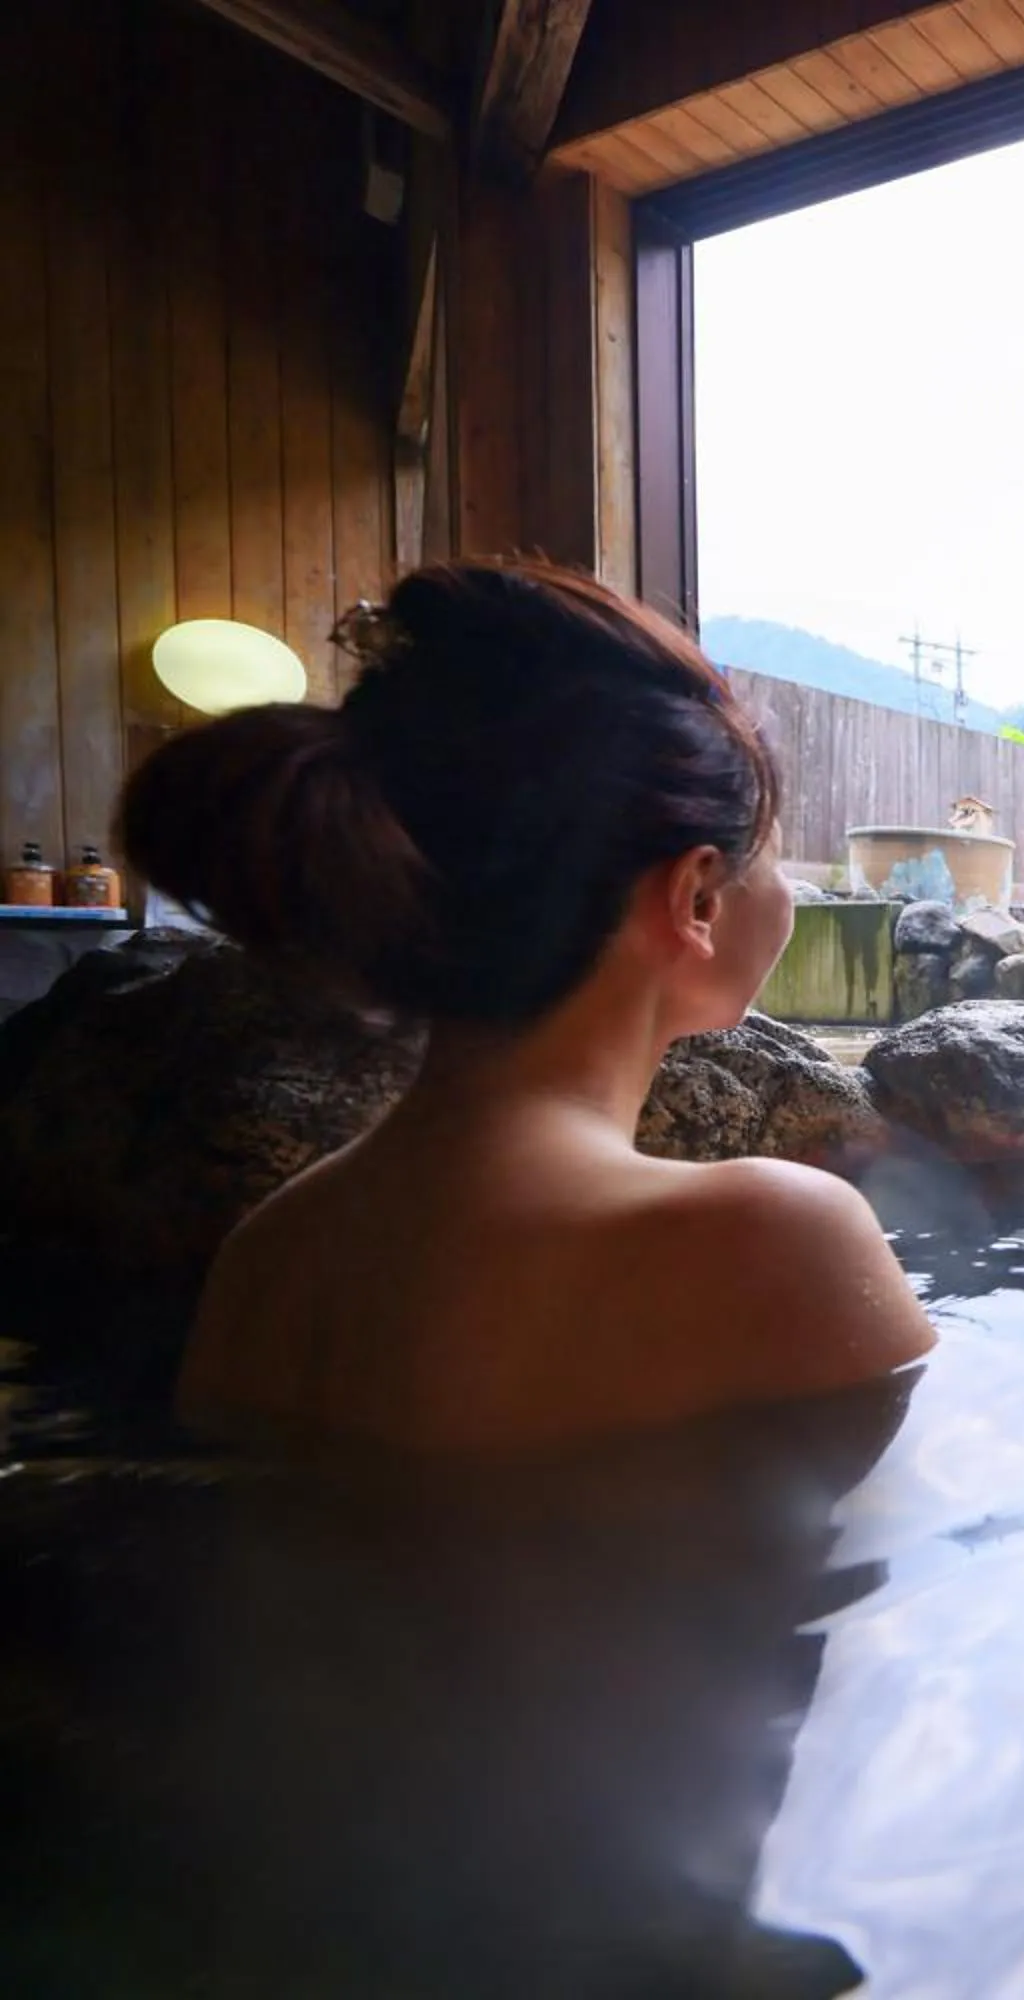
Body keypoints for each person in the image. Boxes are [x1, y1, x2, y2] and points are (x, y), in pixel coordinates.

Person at [120, 561, 936, 1453]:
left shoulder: (271, 1256)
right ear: (696, 899)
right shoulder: (773, 1237)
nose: (785, 896)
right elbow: (917, 1521)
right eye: (773, 860)